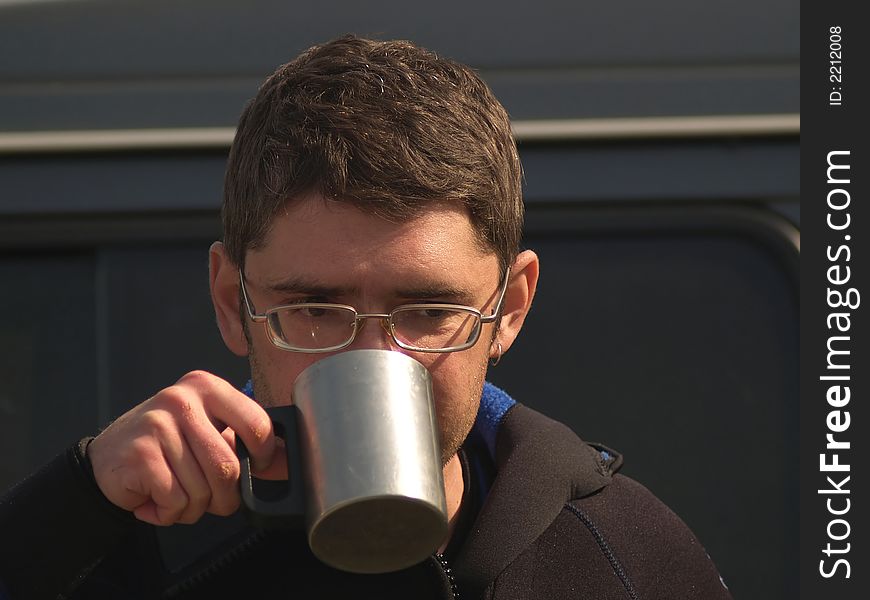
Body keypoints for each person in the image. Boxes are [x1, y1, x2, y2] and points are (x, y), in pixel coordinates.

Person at [0, 35, 732, 600]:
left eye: (428, 310)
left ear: (508, 308)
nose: (377, 358)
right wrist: (68, 511)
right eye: (316, 309)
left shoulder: (622, 559)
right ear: (233, 302)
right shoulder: (127, 547)